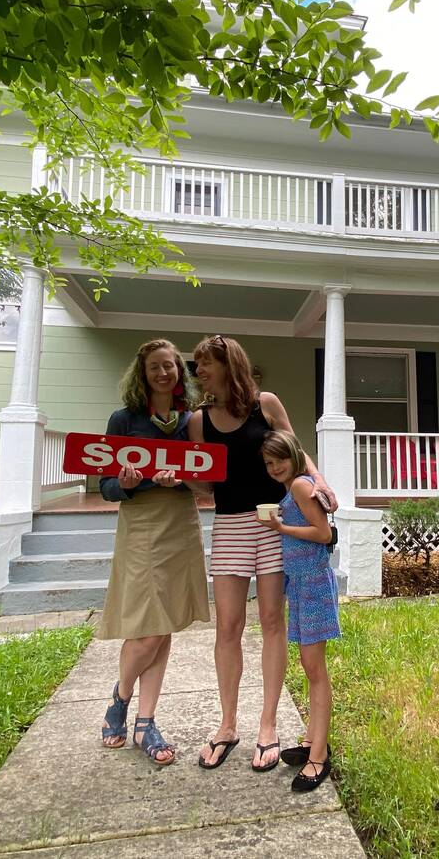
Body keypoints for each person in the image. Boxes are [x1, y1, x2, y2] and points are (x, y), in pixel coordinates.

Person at [189, 334, 336, 772]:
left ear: (227, 363)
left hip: (273, 522)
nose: (198, 372)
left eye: (204, 364)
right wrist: (176, 478)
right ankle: (228, 724)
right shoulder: (200, 420)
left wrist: (320, 480)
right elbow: (203, 482)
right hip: (231, 523)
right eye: (196, 366)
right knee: (228, 626)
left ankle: (268, 725)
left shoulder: (265, 403)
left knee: (272, 620)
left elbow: (295, 450)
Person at [98, 338, 209, 767]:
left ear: (179, 373)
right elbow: (107, 486)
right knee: (148, 626)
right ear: (142, 376)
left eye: (170, 366)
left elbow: (203, 478)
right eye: (155, 368)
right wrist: (125, 483)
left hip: (180, 522)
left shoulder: (189, 422)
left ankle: (145, 722)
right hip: (142, 524)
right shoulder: (124, 420)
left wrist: (177, 481)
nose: (164, 373)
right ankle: (120, 698)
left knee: (164, 624)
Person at [260, 430, 339, 792]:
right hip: (303, 585)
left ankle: (319, 757)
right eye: (269, 463)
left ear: (294, 455)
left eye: (280, 460)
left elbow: (322, 533)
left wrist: (279, 526)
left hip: (314, 586)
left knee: (314, 669)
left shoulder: (300, 487)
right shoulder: (297, 485)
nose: (275, 467)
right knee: (310, 668)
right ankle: (311, 740)